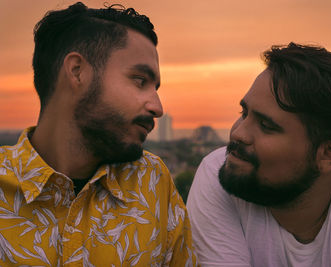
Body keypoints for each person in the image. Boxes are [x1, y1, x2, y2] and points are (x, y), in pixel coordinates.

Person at [0, 2, 196, 266]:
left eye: (155, 87)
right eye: (140, 81)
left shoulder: (152, 183)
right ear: (77, 71)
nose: (157, 107)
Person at [187, 43, 331, 266]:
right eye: (244, 113)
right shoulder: (221, 171)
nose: (237, 133)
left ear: (328, 153)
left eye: (266, 126)